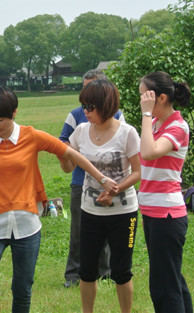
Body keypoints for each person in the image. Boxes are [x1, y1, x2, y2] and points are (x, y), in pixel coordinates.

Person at [0, 85, 118, 313]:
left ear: (14, 113)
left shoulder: (31, 136)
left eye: (0, 120)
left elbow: (70, 153)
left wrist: (101, 178)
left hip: (26, 226)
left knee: (23, 289)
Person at [59, 79, 141, 313]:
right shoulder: (81, 131)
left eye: (90, 107)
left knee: (121, 271)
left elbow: (138, 172)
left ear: (106, 105)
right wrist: (62, 155)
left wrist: (116, 189)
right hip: (90, 210)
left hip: (124, 212)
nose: (85, 112)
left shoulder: (127, 133)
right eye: (83, 106)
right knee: (87, 270)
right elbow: (68, 168)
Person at [59, 69, 123, 288]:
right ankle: (73, 274)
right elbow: (63, 143)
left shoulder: (118, 116)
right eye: (84, 88)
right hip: (81, 183)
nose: (87, 95)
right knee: (79, 231)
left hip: (110, 184)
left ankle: (105, 273)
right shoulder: (77, 116)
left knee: (106, 231)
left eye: (92, 88)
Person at [138, 71, 193, 313]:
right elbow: (142, 160)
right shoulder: (155, 125)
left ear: (160, 98)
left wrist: (146, 114)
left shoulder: (178, 127)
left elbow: (149, 152)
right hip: (152, 213)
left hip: (167, 215)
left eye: (145, 96)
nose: (141, 101)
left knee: (164, 287)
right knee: (172, 279)